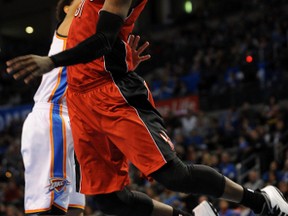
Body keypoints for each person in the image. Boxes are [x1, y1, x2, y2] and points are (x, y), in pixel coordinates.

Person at [6, 0, 288, 215]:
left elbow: (102, 39)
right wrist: (123, 56)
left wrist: (51, 62)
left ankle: (260, 200)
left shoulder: (78, 8)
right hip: (80, 102)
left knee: (172, 175)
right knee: (106, 199)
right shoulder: (81, 8)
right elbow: (100, 39)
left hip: (109, 94)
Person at [20, 0, 85, 215]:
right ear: (68, 10)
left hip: (68, 123)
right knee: (50, 209)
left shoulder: (89, 48)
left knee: (74, 208)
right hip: (51, 116)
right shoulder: (66, 34)